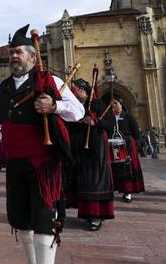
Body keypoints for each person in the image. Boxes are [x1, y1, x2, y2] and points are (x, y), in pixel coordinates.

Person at [0, 25, 85, 264]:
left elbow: (78, 111)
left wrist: (55, 107)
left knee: (44, 219)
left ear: (32, 56)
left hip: (43, 163)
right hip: (15, 164)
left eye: (19, 52)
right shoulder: (2, 88)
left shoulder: (51, 81)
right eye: (11, 52)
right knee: (21, 220)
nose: (13, 56)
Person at [68, 77, 116, 231]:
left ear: (83, 91)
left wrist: (95, 123)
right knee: (84, 179)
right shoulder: (73, 105)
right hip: (80, 146)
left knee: (96, 180)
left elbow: (110, 122)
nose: (72, 93)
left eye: (74, 90)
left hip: (95, 146)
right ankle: (87, 212)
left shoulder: (96, 104)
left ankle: (97, 215)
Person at [111, 99, 144, 203]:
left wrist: (137, 145)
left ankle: (128, 192)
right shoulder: (109, 117)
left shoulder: (128, 116)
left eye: (116, 103)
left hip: (127, 144)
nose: (114, 106)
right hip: (113, 144)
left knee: (127, 167)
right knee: (115, 167)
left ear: (121, 105)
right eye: (112, 104)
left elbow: (136, 132)